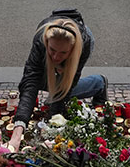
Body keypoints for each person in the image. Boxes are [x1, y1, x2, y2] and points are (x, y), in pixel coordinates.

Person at [7, 9, 107, 152]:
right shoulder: (40, 41)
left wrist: (54, 123)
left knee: (63, 86)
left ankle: (99, 83)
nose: (55, 57)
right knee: (38, 81)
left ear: (71, 51)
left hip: (80, 39)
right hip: (56, 38)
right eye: (52, 50)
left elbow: (66, 85)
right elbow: (30, 81)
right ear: (46, 43)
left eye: (62, 53)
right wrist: (18, 131)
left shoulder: (82, 46)